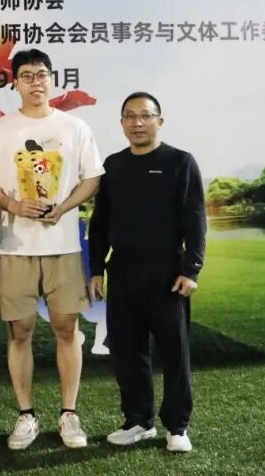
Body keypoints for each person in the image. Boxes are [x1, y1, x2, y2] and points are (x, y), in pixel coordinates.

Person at [0, 48, 104, 450]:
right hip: (15, 247)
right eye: (27, 75)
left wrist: (64, 207)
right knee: (20, 331)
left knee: (67, 328)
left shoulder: (74, 127)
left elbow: (92, 178)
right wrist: (13, 205)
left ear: (52, 79)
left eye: (42, 74)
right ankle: (26, 415)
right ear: (14, 82)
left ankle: (69, 414)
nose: (36, 82)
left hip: (63, 245)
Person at [88, 91, 206, 454]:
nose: (138, 122)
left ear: (159, 120)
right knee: (128, 352)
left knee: (174, 353)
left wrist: (192, 268)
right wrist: (96, 269)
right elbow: (100, 223)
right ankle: (139, 421)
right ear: (121, 122)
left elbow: (195, 219)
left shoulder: (180, 162)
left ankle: (177, 426)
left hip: (168, 274)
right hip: (123, 272)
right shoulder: (112, 166)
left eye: (145, 115)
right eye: (130, 116)